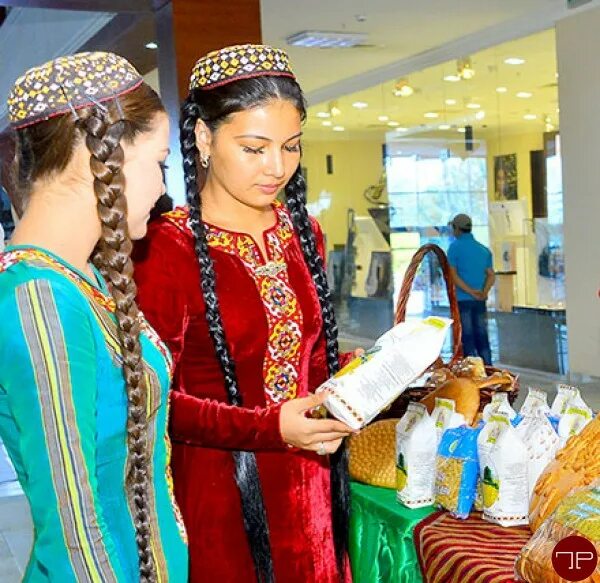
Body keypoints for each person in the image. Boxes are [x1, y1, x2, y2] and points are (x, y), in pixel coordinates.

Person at [133, 44, 355, 582]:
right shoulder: (165, 247)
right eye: (254, 148)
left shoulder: (303, 233)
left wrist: (357, 373)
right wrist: (268, 426)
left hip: (316, 488)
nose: (277, 168)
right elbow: (148, 399)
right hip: (221, 499)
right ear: (205, 139)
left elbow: (315, 357)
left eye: (291, 147)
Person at [0, 52, 188, 582]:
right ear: (96, 155)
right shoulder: (39, 299)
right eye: (158, 161)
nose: (161, 188)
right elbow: (75, 532)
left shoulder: (84, 280)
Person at [447, 213, 495, 365]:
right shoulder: (483, 250)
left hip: (463, 300)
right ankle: (488, 369)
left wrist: (469, 291)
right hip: (479, 300)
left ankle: (472, 370)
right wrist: (483, 292)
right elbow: (491, 275)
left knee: (466, 336)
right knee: (482, 334)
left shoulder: (454, 248)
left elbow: (453, 276)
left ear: (456, 228)